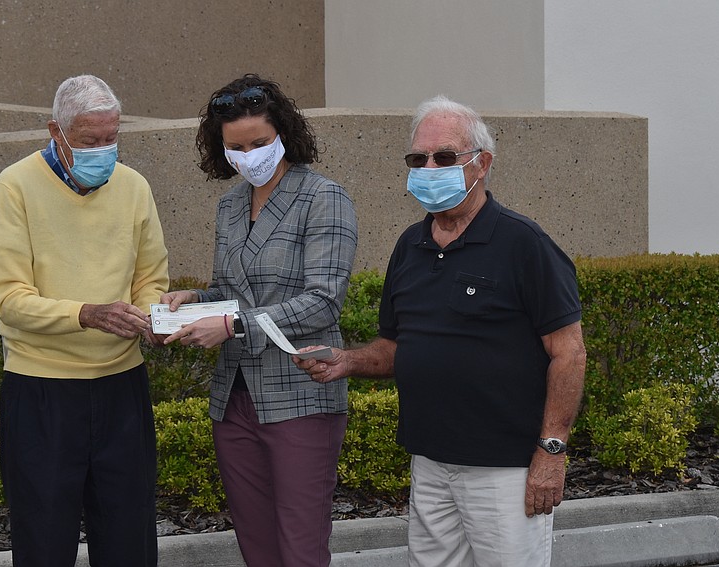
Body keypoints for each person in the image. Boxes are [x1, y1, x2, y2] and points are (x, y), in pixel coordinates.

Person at [294, 95, 586, 567]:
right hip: (430, 464)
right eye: (418, 159)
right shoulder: (410, 246)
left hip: (505, 470)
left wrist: (551, 452)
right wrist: (346, 360)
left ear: (482, 163)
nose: (430, 168)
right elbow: (396, 346)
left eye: (445, 157)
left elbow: (569, 354)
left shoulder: (524, 244)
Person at [158, 74, 358, 567]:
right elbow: (232, 293)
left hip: (300, 392)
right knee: (255, 542)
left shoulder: (323, 197)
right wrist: (196, 299)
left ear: (284, 133)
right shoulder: (229, 205)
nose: (248, 154)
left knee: (300, 543)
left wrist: (232, 326)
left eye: (259, 143)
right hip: (235, 396)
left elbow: (323, 301)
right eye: (236, 147)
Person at [0, 75, 168, 567]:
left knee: (130, 539)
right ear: (55, 131)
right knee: (43, 540)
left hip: (122, 386)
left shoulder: (134, 187)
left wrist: (151, 316)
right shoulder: (14, 186)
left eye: (112, 138)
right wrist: (87, 314)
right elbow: (11, 300)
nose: (104, 150)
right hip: (40, 389)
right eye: (90, 141)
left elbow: (152, 278)